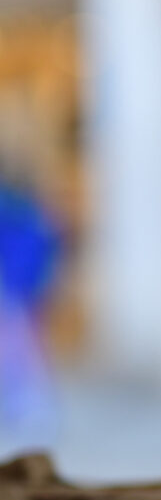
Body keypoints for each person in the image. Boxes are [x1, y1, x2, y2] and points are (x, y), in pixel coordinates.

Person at [0, 166, 61, 452]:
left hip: (16, 288)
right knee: (20, 350)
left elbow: (36, 247)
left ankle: (31, 409)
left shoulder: (16, 209)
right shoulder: (22, 209)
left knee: (20, 351)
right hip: (19, 286)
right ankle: (27, 408)